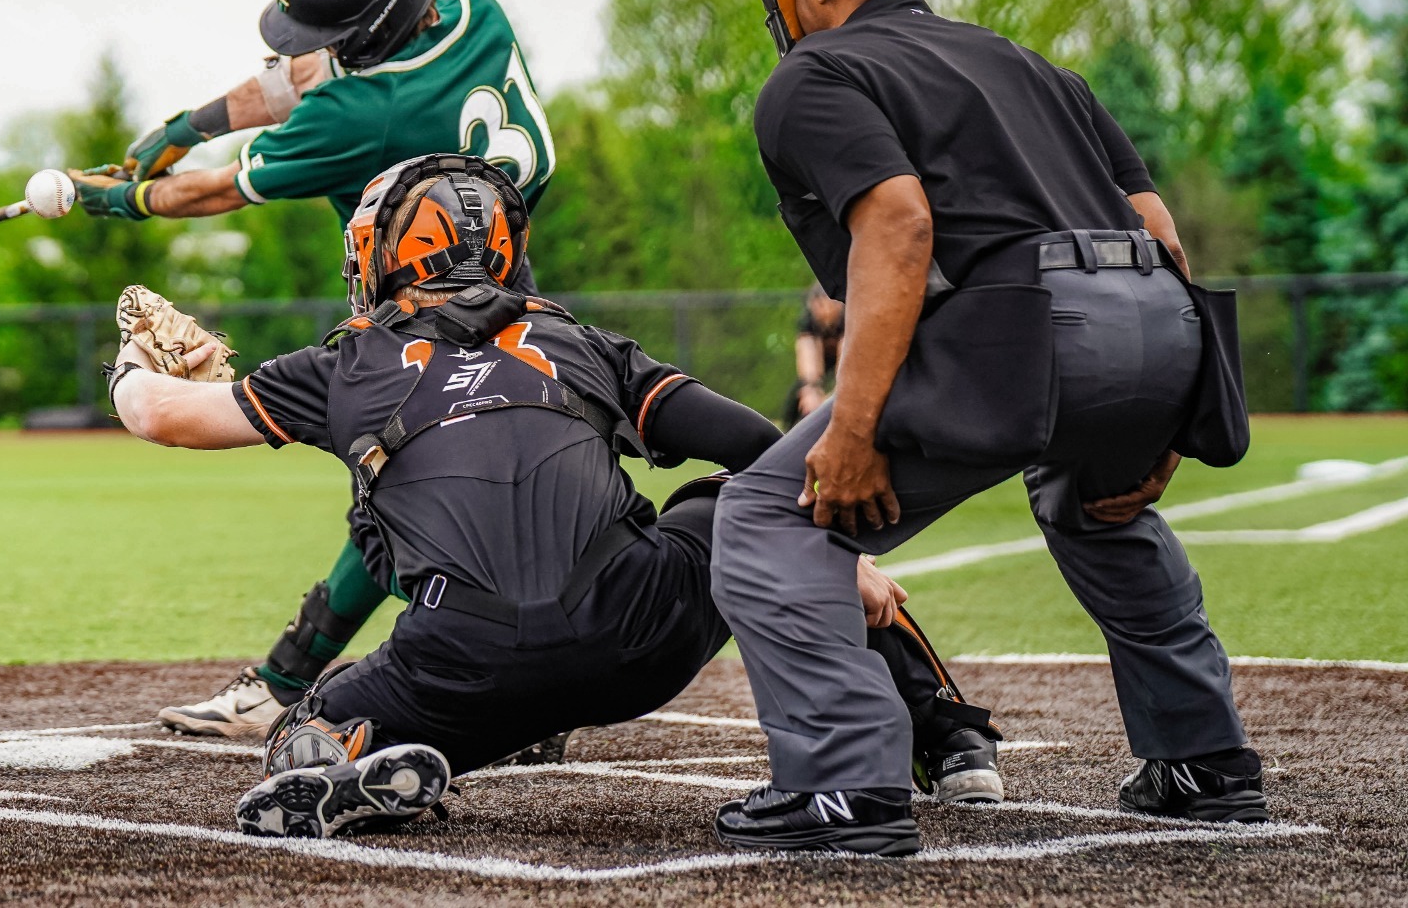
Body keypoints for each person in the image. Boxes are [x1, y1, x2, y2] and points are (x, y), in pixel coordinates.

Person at [106, 155, 1005, 839]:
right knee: (737, 497)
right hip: (635, 632)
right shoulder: (581, 341)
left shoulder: (346, 361)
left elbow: (161, 417)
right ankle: (955, 741)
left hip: (462, 660)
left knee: (310, 719)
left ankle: (362, 749)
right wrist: (837, 561)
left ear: (388, 254)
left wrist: (132, 368)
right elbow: (753, 447)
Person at [709, 0, 1263, 856]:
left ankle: (842, 787)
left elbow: (899, 222)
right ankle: (1201, 762)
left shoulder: (815, 75)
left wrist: (852, 425)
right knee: (1095, 504)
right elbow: (1155, 232)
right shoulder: (1034, 67)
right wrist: (1163, 403)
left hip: (1030, 322)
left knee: (764, 516)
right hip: (1153, 317)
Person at [75, 0, 562, 739]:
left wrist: (123, 197)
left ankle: (314, 682)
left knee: (399, 502)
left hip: (419, 309)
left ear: (369, 34)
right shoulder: (468, 5)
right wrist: (183, 127)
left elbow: (217, 191)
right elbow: (304, 73)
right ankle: (301, 675)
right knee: (425, 497)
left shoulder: (362, 112)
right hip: (512, 283)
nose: (303, 47)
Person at [784, 283, 844, 427]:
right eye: (819, 304)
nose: (825, 310)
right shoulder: (807, 320)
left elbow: (846, 357)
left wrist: (839, 391)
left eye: (830, 303)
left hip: (847, 357)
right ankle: (787, 431)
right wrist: (811, 388)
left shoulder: (848, 317)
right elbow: (807, 355)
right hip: (822, 358)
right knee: (797, 396)